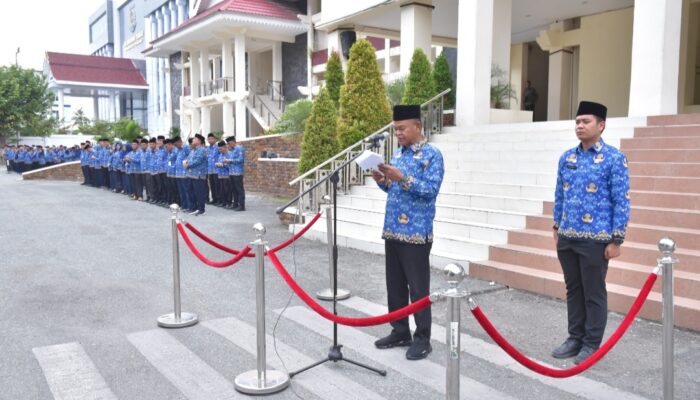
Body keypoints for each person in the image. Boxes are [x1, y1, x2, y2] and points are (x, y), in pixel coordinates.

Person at [551, 101, 630, 365]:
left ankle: (591, 343)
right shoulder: (567, 158)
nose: (580, 126)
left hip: (596, 239)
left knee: (593, 291)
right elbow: (559, 194)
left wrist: (617, 238)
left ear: (601, 125)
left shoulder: (614, 158)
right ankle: (574, 338)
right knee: (573, 289)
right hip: (568, 236)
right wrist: (556, 226)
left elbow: (621, 200)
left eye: (586, 121)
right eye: (577, 122)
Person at [371, 105, 444, 360]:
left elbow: (430, 190)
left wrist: (402, 177)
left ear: (417, 127)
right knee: (395, 286)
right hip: (392, 230)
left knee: (418, 288)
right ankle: (400, 330)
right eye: (395, 129)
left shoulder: (432, 155)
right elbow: (395, 190)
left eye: (402, 128)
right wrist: (383, 181)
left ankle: (423, 338)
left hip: (416, 232)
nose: (398, 133)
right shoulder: (399, 155)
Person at [183, 134, 208, 216]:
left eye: (194, 139)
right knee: (191, 192)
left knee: (199, 192)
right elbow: (188, 158)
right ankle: (193, 208)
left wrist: (188, 164)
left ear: (199, 141)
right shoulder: (193, 150)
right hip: (191, 174)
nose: (192, 141)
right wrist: (185, 162)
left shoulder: (202, 150)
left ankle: (201, 209)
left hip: (199, 175)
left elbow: (198, 160)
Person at [225, 136, 245, 211]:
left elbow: (241, 159)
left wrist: (230, 160)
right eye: (228, 144)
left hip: (237, 172)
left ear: (233, 141)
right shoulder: (231, 150)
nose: (229, 145)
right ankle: (235, 203)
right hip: (231, 172)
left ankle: (241, 205)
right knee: (233, 189)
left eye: (229, 143)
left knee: (239, 189)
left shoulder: (239, 148)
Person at [215, 141, 232, 208]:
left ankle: (229, 202)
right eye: (219, 149)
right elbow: (217, 163)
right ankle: (223, 202)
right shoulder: (220, 155)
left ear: (225, 147)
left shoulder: (229, 155)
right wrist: (217, 164)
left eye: (221, 149)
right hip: (220, 175)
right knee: (222, 189)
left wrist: (222, 165)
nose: (220, 150)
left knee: (227, 189)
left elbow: (230, 165)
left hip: (227, 175)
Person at [206, 133, 220, 205]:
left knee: (217, 185)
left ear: (215, 139)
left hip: (217, 170)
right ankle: (214, 199)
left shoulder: (218, 147)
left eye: (212, 139)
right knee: (212, 185)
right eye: (209, 139)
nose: (210, 140)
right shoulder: (208, 148)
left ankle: (219, 199)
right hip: (210, 170)